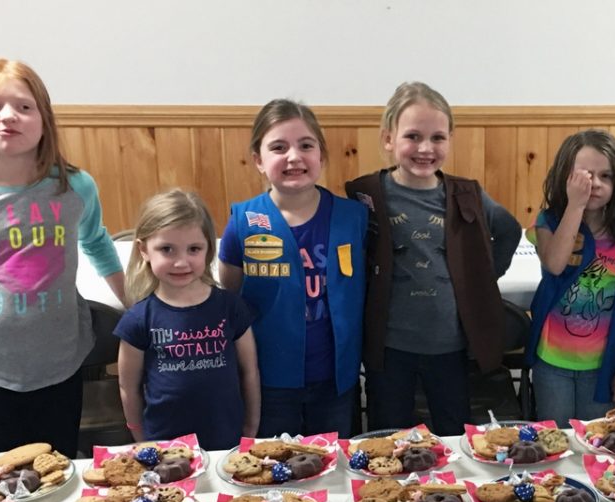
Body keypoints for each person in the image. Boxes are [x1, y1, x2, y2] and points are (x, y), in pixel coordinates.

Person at [0, 58, 125, 458]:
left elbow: (96, 241)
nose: (8, 116)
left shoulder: (74, 186)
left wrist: (133, 302)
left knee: (55, 470)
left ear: (44, 118)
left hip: (60, 364)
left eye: (24, 107)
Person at [345, 82, 521, 435]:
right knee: (389, 434)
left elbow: (509, 230)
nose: (425, 148)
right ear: (388, 139)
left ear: (450, 140)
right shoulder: (366, 195)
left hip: (449, 346)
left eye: (438, 138)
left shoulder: (466, 194)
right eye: (413, 136)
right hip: (389, 347)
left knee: (452, 432)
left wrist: (482, 281)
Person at [219, 100, 367, 438]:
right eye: (278, 147)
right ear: (258, 159)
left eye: (305, 145)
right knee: (275, 468)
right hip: (270, 379)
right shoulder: (243, 222)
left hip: (335, 377)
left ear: (322, 155)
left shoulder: (353, 217)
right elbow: (231, 296)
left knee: (332, 468)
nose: (293, 156)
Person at [116, 189, 259, 449]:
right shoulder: (138, 319)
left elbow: (249, 371)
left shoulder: (230, 307)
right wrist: (140, 437)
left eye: (193, 249)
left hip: (227, 441)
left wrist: (251, 426)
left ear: (208, 250)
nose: (181, 262)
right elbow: (128, 387)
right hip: (165, 445)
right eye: (167, 249)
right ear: (144, 250)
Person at [526, 129, 615, 424]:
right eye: (584, 175)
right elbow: (556, 263)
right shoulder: (549, 222)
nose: (594, 184)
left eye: (606, 176)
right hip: (552, 364)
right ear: (564, 177)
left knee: (596, 441)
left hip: (601, 368)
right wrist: (575, 205)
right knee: (554, 439)